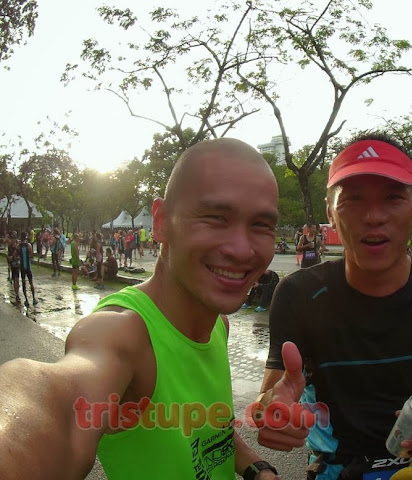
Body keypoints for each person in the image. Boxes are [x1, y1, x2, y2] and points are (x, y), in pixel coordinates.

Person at [0, 139, 283, 480]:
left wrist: (258, 468)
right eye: (215, 218)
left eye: (261, 225)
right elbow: (49, 401)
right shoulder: (125, 334)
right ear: (161, 221)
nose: (241, 249)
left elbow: (209, 431)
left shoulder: (218, 326)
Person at [257, 134, 412, 480]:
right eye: (353, 199)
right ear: (330, 212)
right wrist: (272, 413)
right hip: (335, 470)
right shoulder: (298, 294)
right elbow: (271, 395)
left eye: (393, 198)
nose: (374, 217)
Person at [18, 231, 38, 306]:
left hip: (22, 266)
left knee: (23, 282)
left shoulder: (18, 246)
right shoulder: (28, 245)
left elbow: (17, 255)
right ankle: (34, 298)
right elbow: (31, 255)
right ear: (26, 237)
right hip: (28, 267)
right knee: (31, 282)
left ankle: (26, 299)